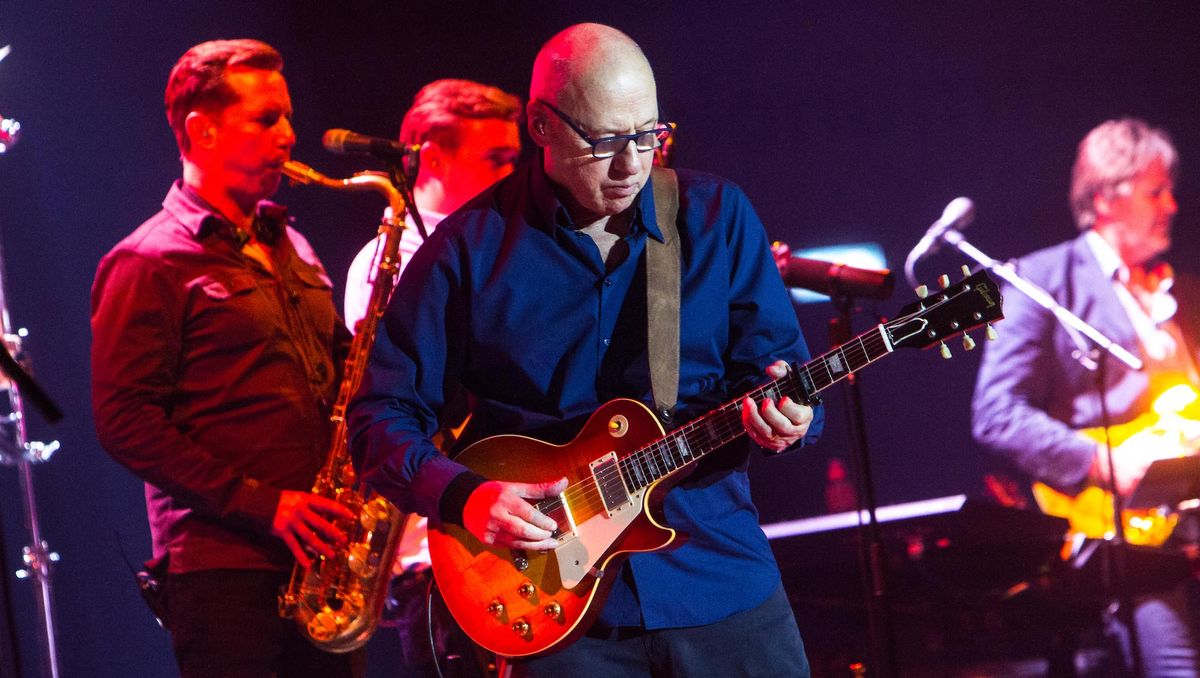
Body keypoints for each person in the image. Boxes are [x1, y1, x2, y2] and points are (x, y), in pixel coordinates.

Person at [349, 23, 822, 676]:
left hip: (718, 582)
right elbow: (377, 418)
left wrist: (791, 420)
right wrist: (466, 497)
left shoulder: (716, 216)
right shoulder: (467, 250)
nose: (632, 164)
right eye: (605, 141)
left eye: (649, 136)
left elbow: (783, 374)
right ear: (540, 127)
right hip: (558, 615)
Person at [90, 39, 362, 677]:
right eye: (267, 120)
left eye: (287, 117)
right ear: (202, 131)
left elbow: (346, 371)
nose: (290, 136)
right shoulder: (147, 260)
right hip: (224, 576)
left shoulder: (291, 241)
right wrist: (266, 505)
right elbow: (123, 421)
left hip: (323, 565)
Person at [972, 117, 1198, 676]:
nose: (1172, 204)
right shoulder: (1040, 280)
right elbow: (996, 412)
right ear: (1105, 198)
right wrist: (1101, 462)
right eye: (1156, 190)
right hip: (1127, 544)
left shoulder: (1182, 289)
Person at [343, 77, 522, 677]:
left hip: (520, 533)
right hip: (443, 556)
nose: (516, 172)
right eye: (497, 159)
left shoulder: (509, 241)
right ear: (433, 157)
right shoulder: (384, 262)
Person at [343, 78, 522, 330]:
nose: (510, 175)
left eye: (513, 159)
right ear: (433, 159)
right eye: (495, 159)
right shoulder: (392, 263)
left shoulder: (495, 246)